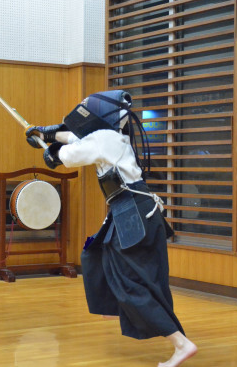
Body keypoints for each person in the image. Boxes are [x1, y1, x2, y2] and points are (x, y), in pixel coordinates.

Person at [25, 90, 197, 366]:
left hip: (133, 211)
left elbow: (69, 155)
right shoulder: (112, 136)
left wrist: (49, 150)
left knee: (130, 283)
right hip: (131, 210)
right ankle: (115, 305)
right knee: (97, 256)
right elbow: (74, 138)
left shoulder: (104, 139)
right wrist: (46, 133)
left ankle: (181, 343)